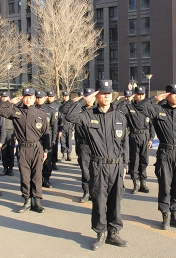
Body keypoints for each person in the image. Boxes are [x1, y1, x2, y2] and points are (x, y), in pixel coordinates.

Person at [66, 80, 129, 251]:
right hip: (99, 165)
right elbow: (67, 114)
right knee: (99, 201)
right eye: (103, 93)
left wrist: (125, 164)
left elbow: (124, 142)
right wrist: (84, 100)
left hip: (116, 167)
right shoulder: (88, 115)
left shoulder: (120, 117)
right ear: (97, 95)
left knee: (116, 201)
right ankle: (100, 233)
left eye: (109, 93)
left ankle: (113, 233)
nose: (107, 96)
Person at [138, 84, 176, 230]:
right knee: (165, 185)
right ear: (167, 95)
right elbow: (140, 108)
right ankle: (165, 216)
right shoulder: (158, 110)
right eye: (174, 93)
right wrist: (156, 98)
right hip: (165, 153)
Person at [0, 88, 50, 213]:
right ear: (22, 98)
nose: (28, 99)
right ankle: (26, 201)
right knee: (25, 176)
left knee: (36, 176)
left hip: (37, 148)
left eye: (30, 97)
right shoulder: (16, 111)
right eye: (25, 96)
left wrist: (46, 150)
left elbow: (46, 132)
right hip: (23, 148)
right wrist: (11, 101)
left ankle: (37, 201)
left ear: (35, 98)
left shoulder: (40, 114)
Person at [118, 86, 155, 194]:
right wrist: (127, 100)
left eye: (142, 94)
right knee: (134, 161)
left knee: (144, 161)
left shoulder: (148, 107)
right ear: (135, 95)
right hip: (134, 137)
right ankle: (136, 183)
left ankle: (143, 182)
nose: (140, 96)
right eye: (138, 94)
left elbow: (152, 124)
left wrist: (151, 138)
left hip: (145, 136)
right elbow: (118, 109)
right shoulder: (129, 107)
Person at [35, 90, 58, 188]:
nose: (39, 99)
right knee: (37, 161)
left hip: (46, 138)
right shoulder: (32, 109)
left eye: (41, 97)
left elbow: (54, 126)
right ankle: (38, 179)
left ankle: (46, 179)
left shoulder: (50, 110)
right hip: (35, 139)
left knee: (47, 161)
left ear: (44, 98)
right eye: (37, 97)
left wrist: (53, 140)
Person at [0, 92, 16, 176]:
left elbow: (16, 123)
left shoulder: (12, 109)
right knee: (4, 151)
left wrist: (15, 134)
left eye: (6, 97)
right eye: (3, 97)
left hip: (11, 132)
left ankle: (11, 168)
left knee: (11, 151)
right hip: (2, 132)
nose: (4, 98)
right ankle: (5, 168)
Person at [58, 91, 73, 162]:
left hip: (69, 125)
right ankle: (64, 154)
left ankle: (69, 154)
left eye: (66, 96)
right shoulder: (60, 105)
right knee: (62, 141)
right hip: (62, 125)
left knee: (69, 141)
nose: (65, 97)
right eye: (64, 96)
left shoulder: (71, 105)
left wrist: (73, 126)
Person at [47, 91, 60, 171]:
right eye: (49, 96)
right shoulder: (45, 106)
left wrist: (60, 129)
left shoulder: (57, 107)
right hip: (48, 129)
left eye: (51, 96)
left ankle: (54, 162)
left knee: (54, 147)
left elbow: (60, 119)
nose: (50, 98)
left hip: (55, 128)